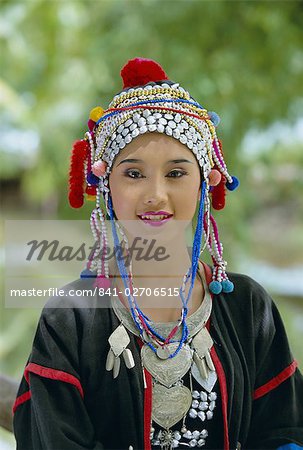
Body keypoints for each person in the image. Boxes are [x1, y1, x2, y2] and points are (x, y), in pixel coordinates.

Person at [13, 58, 303, 450]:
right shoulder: (69, 320)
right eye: (133, 174)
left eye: (176, 173)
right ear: (105, 187)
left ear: (205, 183)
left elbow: (283, 430)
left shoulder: (249, 306)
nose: (155, 195)